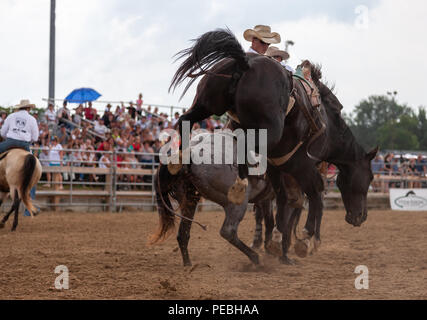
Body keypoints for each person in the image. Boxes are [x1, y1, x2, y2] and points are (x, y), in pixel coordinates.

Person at [0, 99, 40, 216]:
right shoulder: (32, 119)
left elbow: (2, 133)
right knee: (31, 170)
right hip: (24, 145)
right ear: (29, 108)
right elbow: (35, 137)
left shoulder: (11, 116)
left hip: (10, 142)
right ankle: (29, 201)